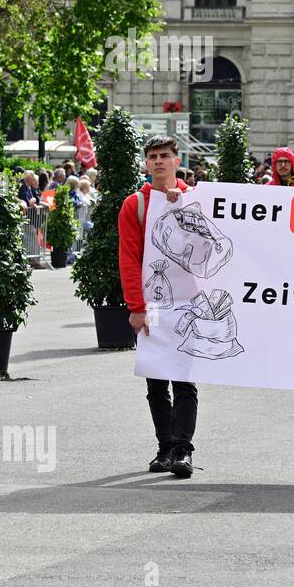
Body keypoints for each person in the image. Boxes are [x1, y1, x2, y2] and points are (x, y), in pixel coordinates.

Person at [118, 135, 197, 478]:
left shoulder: (198, 199)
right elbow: (129, 258)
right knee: (155, 383)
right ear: (146, 164)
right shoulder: (134, 204)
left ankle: (182, 450)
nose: (159, 161)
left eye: (165, 155)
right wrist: (135, 306)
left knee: (184, 381)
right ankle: (165, 447)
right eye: (153, 156)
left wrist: (181, 205)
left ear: (177, 160)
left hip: (190, 303)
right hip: (152, 305)